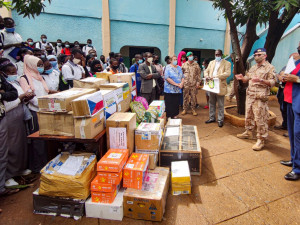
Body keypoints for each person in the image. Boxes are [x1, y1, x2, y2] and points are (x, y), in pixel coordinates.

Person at [1, 59, 34, 187]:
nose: (14, 74)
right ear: (3, 73)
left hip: (18, 115)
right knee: (10, 147)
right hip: (8, 117)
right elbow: (6, 104)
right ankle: (8, 176)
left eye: (15, 71)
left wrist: (25, 98)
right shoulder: (4, 86)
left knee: (20, 144)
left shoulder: (14, 83)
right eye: (11, 72)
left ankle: (18, 170)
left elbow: (16, 96)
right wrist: (20, 98)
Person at [236, 48, 276, 150]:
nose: (256, 57)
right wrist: (242, 78)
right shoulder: (253, 67)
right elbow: (247, 79)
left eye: (259, 55)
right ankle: (248, 132)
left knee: (260, 118)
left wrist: (261, 80)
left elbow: (273, 83)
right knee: (248, 115)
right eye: (255, 55)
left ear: (265, 56)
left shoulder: (269, 68)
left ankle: (261, 139)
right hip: (250, 95)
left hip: (260, 97)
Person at [19, 55, 50, 173]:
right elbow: (31, 98)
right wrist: (47, 105)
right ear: (32, 65)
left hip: (45, 111)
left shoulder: (39, 77)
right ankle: (37, 166)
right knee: (37, 141)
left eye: (41, 65)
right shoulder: (24, 79)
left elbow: (45, 92)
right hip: (35, 111)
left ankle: (45, 162)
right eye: (39, 65)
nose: (41, 67)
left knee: (45, 140)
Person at [279, 44, 300, 180]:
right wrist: (281, 76)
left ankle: (297, 169)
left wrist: (297, 79)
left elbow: (296, 78)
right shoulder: (296, 61)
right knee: (292, 134)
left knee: (298, 135)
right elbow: (283, 72)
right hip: (290, 101)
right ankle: (294, 160)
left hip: (298, 103)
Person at [0, 62, 19, 198]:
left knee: (2, 153)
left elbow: (13, 93)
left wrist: (2, 95)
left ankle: (1, 187)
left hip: (1, 117)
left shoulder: (1, 79)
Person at [204, 49, 231, 127]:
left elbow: (227, 73)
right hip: (212, 86)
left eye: (219, 55)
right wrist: (206, 76)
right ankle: (212, 118)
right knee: (211, 103)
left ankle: (220, 120)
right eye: (216, 55)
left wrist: (216, 77)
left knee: (220, 104)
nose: (217, 56)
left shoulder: (227, 63)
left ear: (221, 55)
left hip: (220, 86)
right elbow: (206, 71)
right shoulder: (211, 62)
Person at [181, 52, 201, 116]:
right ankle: (185, 109)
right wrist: (182, 82)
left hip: (193, 84)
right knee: (185, 97)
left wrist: (198, 83)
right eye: (189, 55)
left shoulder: (196, 65)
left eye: (192, 55)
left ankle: (193, 109)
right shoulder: (184, 65)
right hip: (186, 84)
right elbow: (181, 74)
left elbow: (198, 74)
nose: (191, 56)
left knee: (193, 97)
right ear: (187, 57)